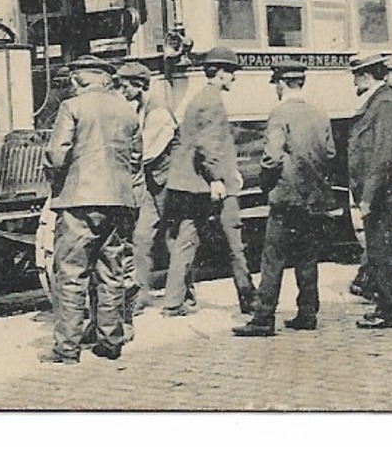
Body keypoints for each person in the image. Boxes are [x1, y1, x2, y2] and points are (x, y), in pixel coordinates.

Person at [42, 55, 140, 364]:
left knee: (72, 273)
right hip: (119, 200)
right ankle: (110, 342)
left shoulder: (72, 107)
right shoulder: (126, 110)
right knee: (111, 271)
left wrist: (57, 182)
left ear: (77, 81)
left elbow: (57, 155)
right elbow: (136, 158)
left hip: (79, 200)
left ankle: (67, 349)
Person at [234, 61, 335, 337]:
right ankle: (307, 313)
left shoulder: (279, 114)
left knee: (273, 259)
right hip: (313, 199)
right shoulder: (319, 114)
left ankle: (263, 319)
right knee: (307, 259)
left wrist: (266, 185)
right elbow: (329, 153)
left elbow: (272, 157)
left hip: (286, 199)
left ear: (280, 84)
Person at [160, 46, 246, 318]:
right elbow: (209, 146)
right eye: (231, 73)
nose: (233, 78)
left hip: (189, 183)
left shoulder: (199, 97)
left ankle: (173, 302)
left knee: (186, 237)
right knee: (235, 240)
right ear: (220, 73)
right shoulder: (212, 101)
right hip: (209, 183)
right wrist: (218, 178)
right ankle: (249, 299)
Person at [348, 52, 392, 329]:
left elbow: (382, 154)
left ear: (366, 75)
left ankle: (391, 311)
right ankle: (388, 306)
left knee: (383, 251)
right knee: (381, 250)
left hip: (381, 194)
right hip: (382, 193)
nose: (354, 82)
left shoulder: (384, 103)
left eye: (356, 76)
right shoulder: (380, 101)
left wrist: (367, 196)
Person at [118, 61, 170, 312]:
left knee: (176, 238)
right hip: (152, 182)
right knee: (141, 237)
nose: (121, 90)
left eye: (124, 86)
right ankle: (140, 295)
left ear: (138, 86)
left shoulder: (158, 112)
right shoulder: (137, 108)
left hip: (168, 182)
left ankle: (184, 296)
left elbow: (146, 152)